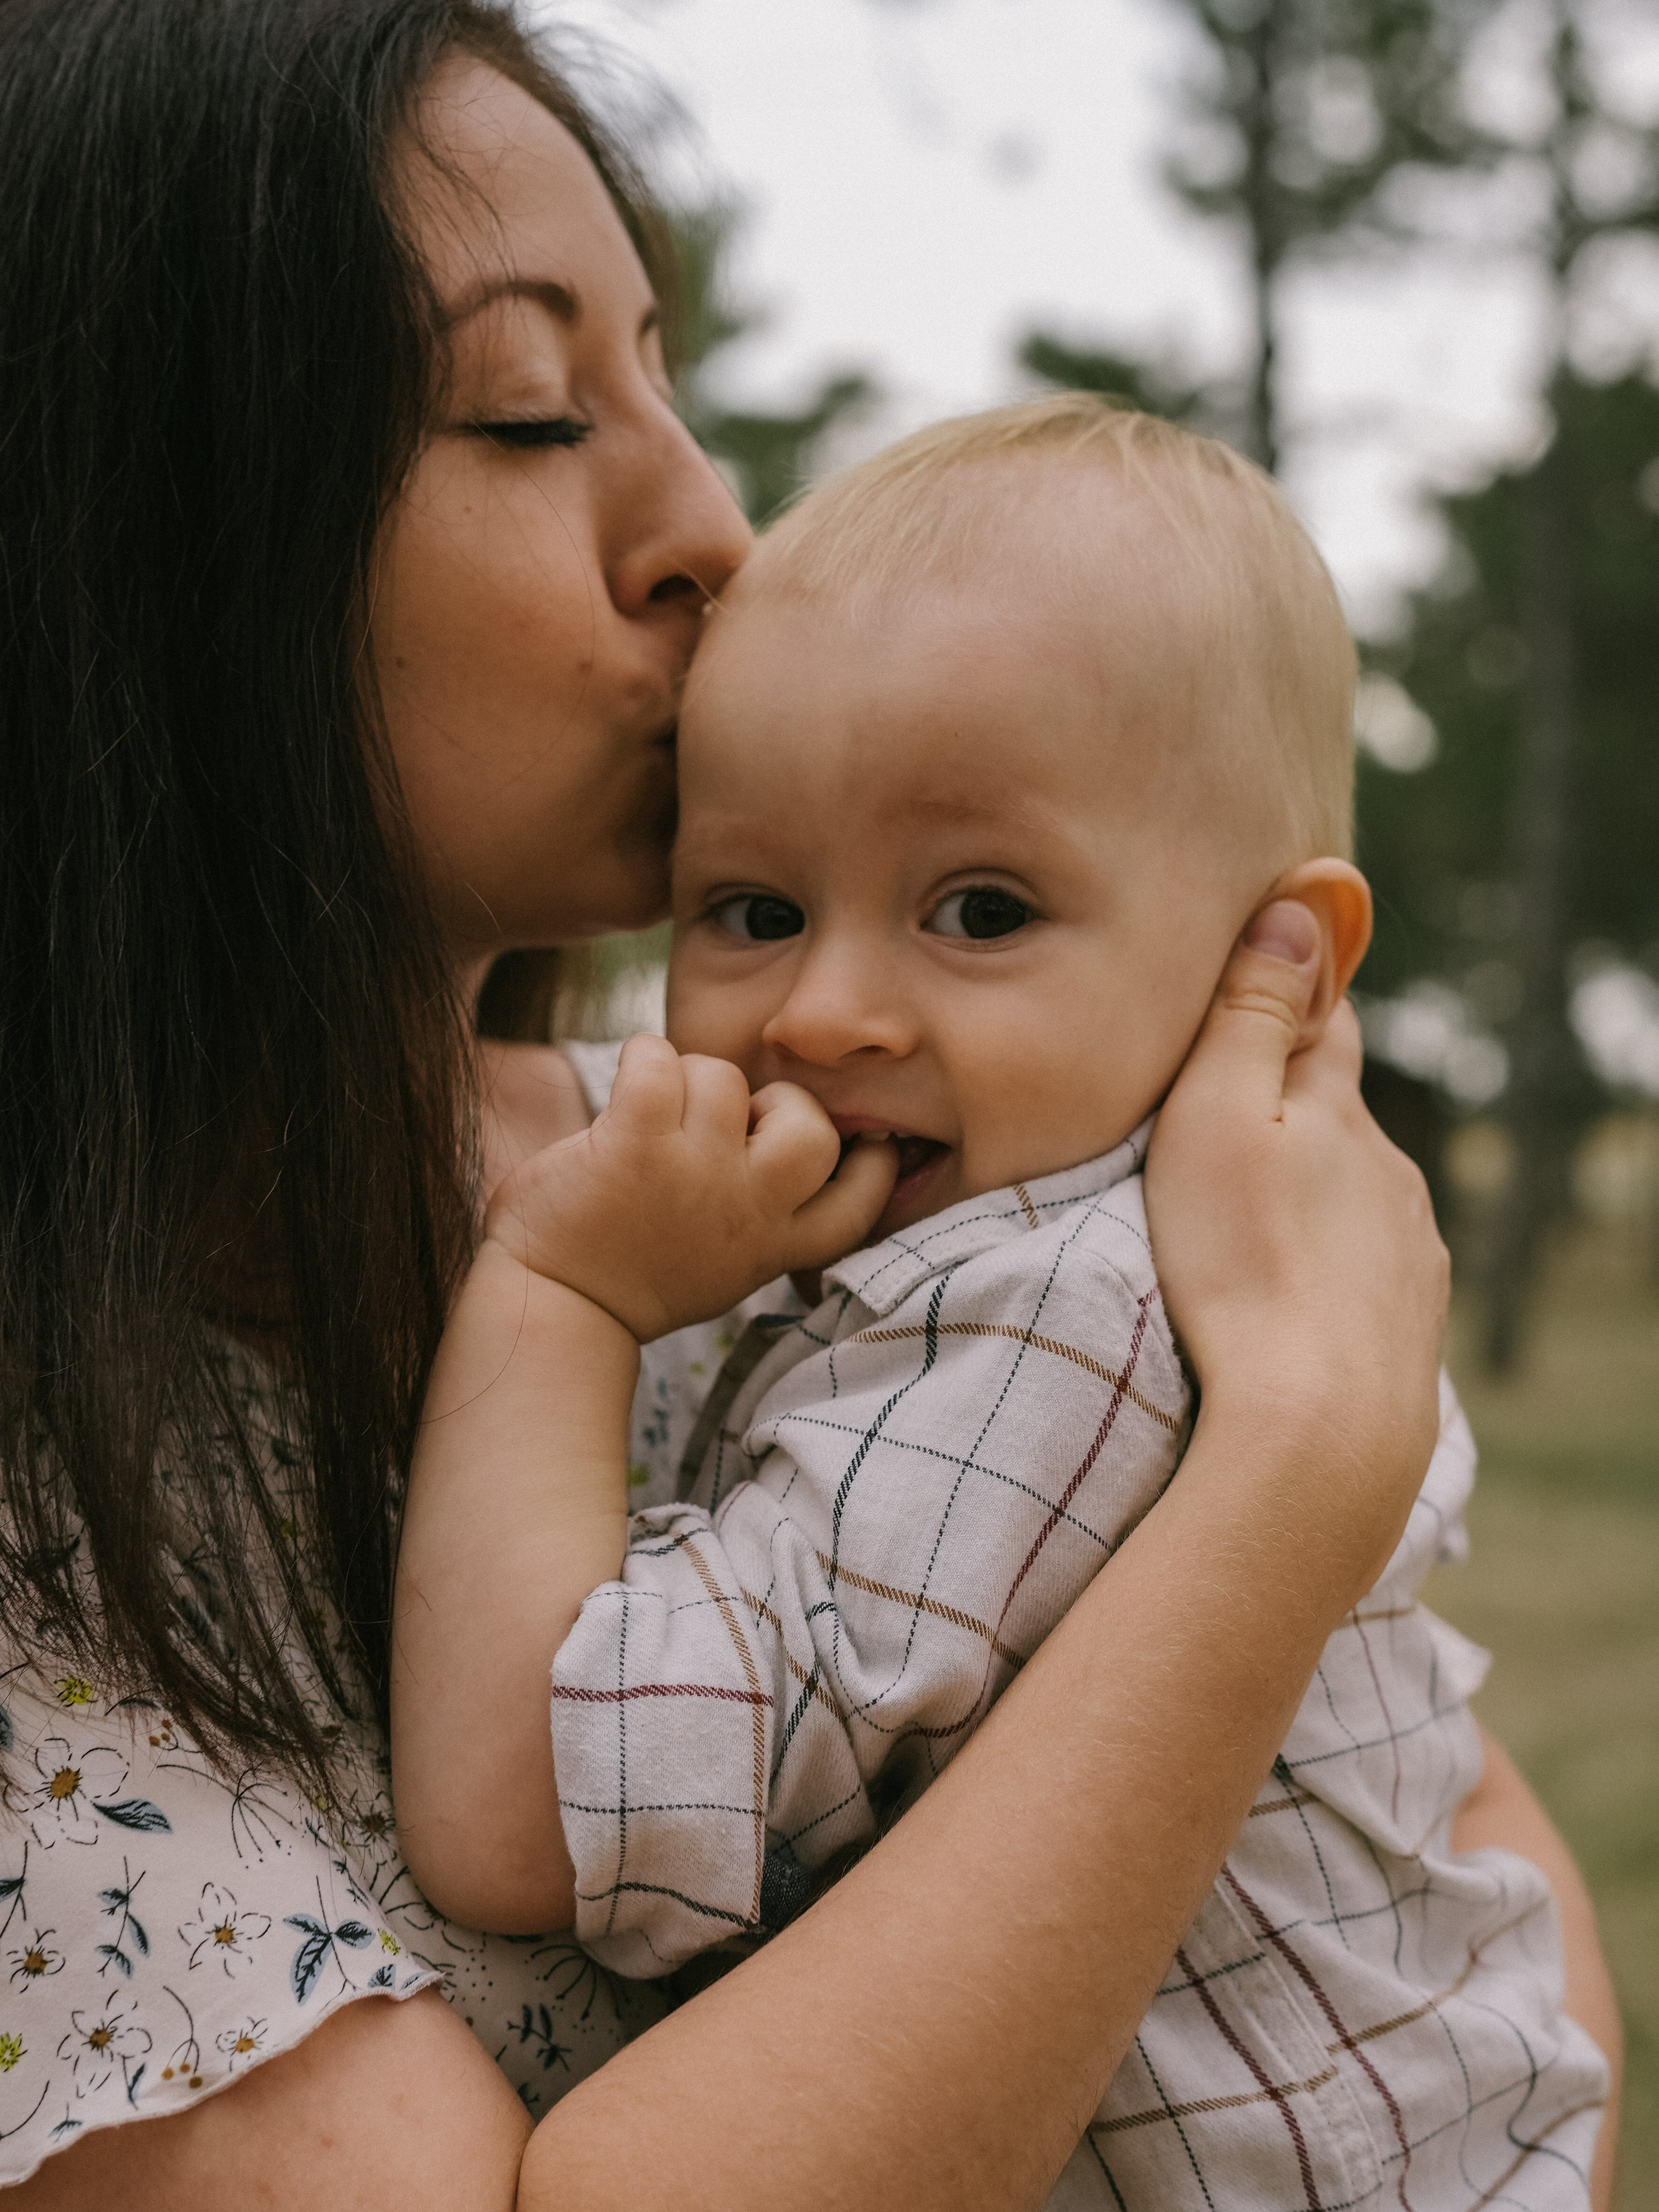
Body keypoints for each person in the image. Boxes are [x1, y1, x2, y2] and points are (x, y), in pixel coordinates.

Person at [0, 1, 1606, 2205]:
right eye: (535, 411)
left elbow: (1461, 1860)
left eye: (662, 375)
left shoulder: (847, 1189)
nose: (712, 528)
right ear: (134, 539)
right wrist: (1291, 1478)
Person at [391, 400, 1618, 2206]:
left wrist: (562, 1291)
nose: (822, 1011)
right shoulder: (1090, 1245)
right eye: (748, 906)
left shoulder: (1063, 1312)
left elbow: (529, 1810)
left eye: (978, 909)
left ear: (1272, 962)